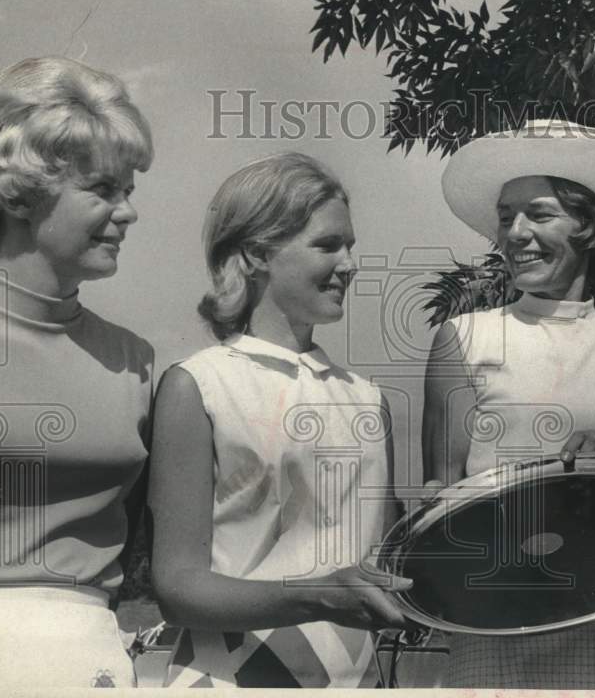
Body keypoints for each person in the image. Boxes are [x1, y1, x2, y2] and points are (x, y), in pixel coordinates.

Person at [149, 153, 411, 688]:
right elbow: (177, 587)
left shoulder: (367, 399)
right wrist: (313, 594)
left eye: (350, 245)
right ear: (255, 254)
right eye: (327, 244)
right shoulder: (198, 385)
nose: (349, 263)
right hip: (226, 681)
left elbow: (381, 564)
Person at [421, 119, 595, 688]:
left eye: (539, 213)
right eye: (506, 217)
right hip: (491, 619)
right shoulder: (464, 338)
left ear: (589, 227)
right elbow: (438, 498)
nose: (515, 233)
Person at [0, 56, 155, 689]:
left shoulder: (134, 360)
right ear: (21, 194)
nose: (127, 212)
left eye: (128, 190)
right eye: (103, 189)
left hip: (89, 656)